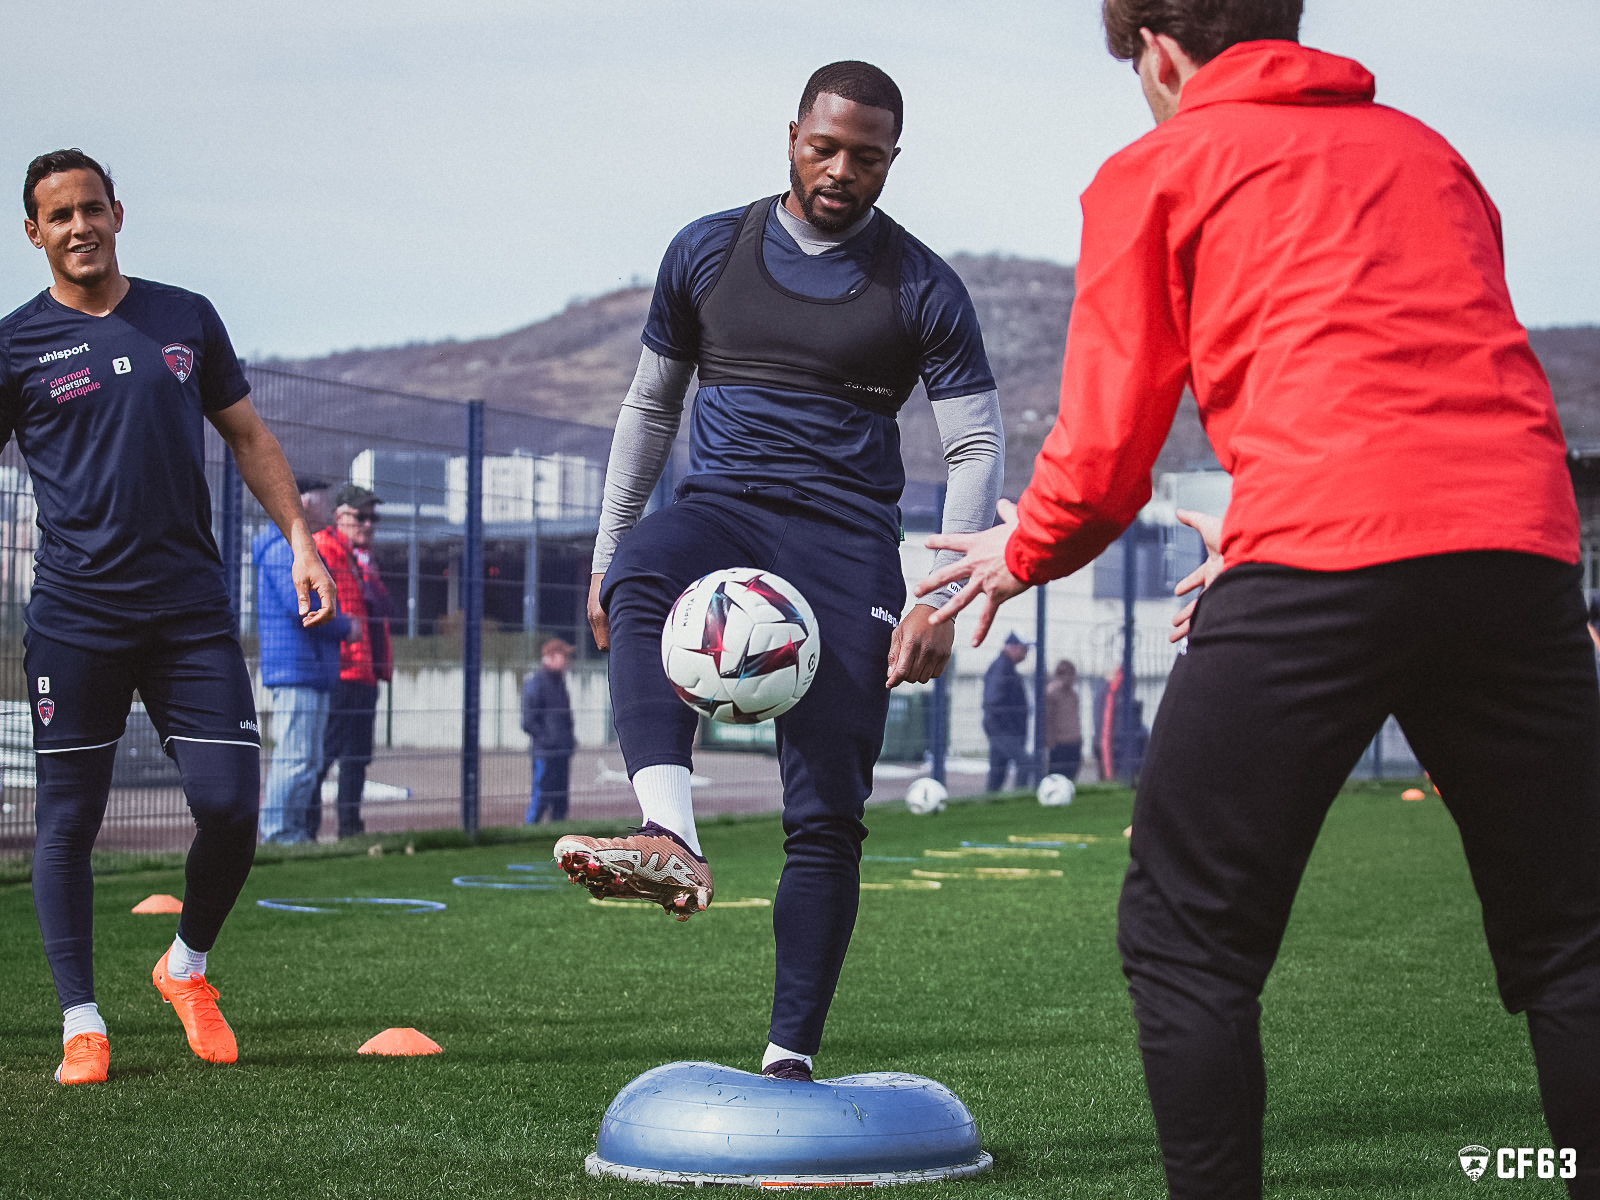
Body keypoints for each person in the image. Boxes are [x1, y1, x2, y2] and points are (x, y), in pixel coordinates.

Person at [915, 4, 1600, 1195]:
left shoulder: (1161, 165)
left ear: (1157, 53)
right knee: (1573, 941)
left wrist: (1019, 550)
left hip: (1320, 562)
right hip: (1518, 552)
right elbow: (1432, 369)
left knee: (1186, 944)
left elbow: (1107, 447)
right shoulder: (1430, 152)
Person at [552, 61, 1005, 1082]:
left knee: (826, 808)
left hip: (847, 545)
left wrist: (936, 597)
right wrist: (609, 545)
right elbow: (649, 408)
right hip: (717, 511)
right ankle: (666, 831)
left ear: (892, 158)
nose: (842, 169)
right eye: (824, 146)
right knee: (637, 576)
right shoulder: (708, 250)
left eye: (867, 155)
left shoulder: (923, 284)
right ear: (791, 134)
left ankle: (788, 1057)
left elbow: (975, 446)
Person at [3, 150, 336, 1085]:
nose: (79, 228)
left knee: (231, 810)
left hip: (191, 613)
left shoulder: (184, 316)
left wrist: (302, 543)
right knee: (69, 821)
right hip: (75, 618)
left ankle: (186, 965)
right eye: (58, 216)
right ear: (35, 233)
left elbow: (248, 435)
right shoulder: (15, 346)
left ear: (118, 214)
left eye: (92, 209)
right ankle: (81, 1022)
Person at [256, 479, 349, 844]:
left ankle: (290, 831)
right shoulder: (284, 547)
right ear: (306, 503)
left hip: (310, 668)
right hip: (296, 668)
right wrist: (345, 625)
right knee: (295, 758)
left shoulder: (295, 546)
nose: (330, 510)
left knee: (307, 761)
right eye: (326, 502)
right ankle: (278, 832)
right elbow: (304, 607)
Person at [312, 485, 381, 840]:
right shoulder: (323, 549)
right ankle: (304, 830)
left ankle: (350, 828)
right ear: (340, 516)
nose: (369, 524)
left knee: (357, 758)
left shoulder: (362, 559)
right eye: (361, 516)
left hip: (364, 674)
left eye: (373, 518)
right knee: (325, 755)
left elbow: (380, 610)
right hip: (339, 671)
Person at [522, 638, 575, 823]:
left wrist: (568, 741)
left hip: (561, 751)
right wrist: (549, 740)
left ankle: (558, 831)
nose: (567, 660)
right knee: (541, 795)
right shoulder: (536, 683)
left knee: (560, 798)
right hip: (545, 752)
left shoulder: (558, 682)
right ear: (550, 657)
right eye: (564, 656)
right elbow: (528, 721)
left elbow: (564, 717)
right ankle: (530, 830)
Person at [982, 632, 1031, 791]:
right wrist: (1008, 726)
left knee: (998, 772)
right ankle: (1020, 798)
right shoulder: (1002, 668)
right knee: (1025, 762)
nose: (1026, 654)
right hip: (1003, 730)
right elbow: (993, 701)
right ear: (1013, 648)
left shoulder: (1006, 667)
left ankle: (990, 802)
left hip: (1004, 729)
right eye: (1024, 649)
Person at [1044, 659, 1082, 780]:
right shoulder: (1051, 694)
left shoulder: (1073, 695)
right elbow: (1048, 721)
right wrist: (1050, 742)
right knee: (1057, 777)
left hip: (1074, 742)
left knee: (1072, 775)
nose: (1072, 678)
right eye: (1069, 675)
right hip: (1059, 744)